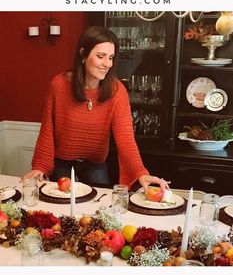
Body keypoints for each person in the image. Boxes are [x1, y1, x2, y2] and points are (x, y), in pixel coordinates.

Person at [23, 26, 170, 191]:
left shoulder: (117, 90)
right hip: (61, 163)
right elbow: (47, 130)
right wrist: (40, 166)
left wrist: (141, 172)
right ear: (83, 54)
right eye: (101, 56)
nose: (107, 64)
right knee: (61, 210)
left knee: (98, 208)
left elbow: (126, 140)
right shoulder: (59, 85)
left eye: (111, 57)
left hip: (95, 164)